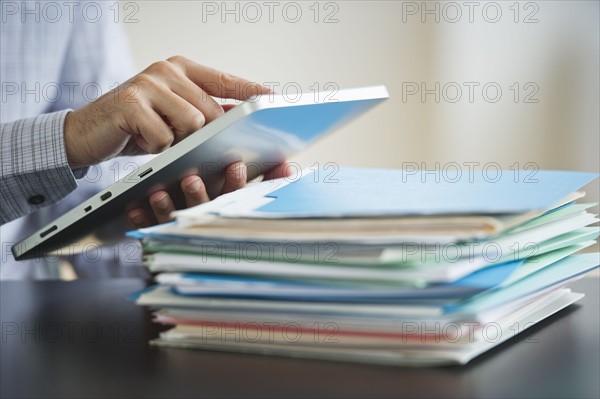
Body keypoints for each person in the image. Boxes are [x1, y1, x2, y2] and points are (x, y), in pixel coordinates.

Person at [0, 1, 286, 278]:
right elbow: (82, 141)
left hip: (25, 303)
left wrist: (177, 244)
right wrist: (67, 141)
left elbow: (92, 216)